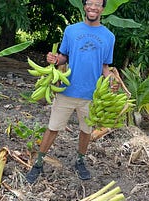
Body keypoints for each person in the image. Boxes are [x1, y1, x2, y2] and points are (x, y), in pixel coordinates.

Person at [25, 0, 115, 184]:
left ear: (102, 9)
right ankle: (39, 163)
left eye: (97, 4)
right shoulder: (71, 30)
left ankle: (80, 161)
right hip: (66, 89)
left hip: (92, 94)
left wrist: (111, 81)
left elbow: (105, 66)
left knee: (86, 130)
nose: (93, 7)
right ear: (84, 6)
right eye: (89, 3)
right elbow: (63, 57)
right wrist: (54, 58)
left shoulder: (109, 36)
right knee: (53, 128)